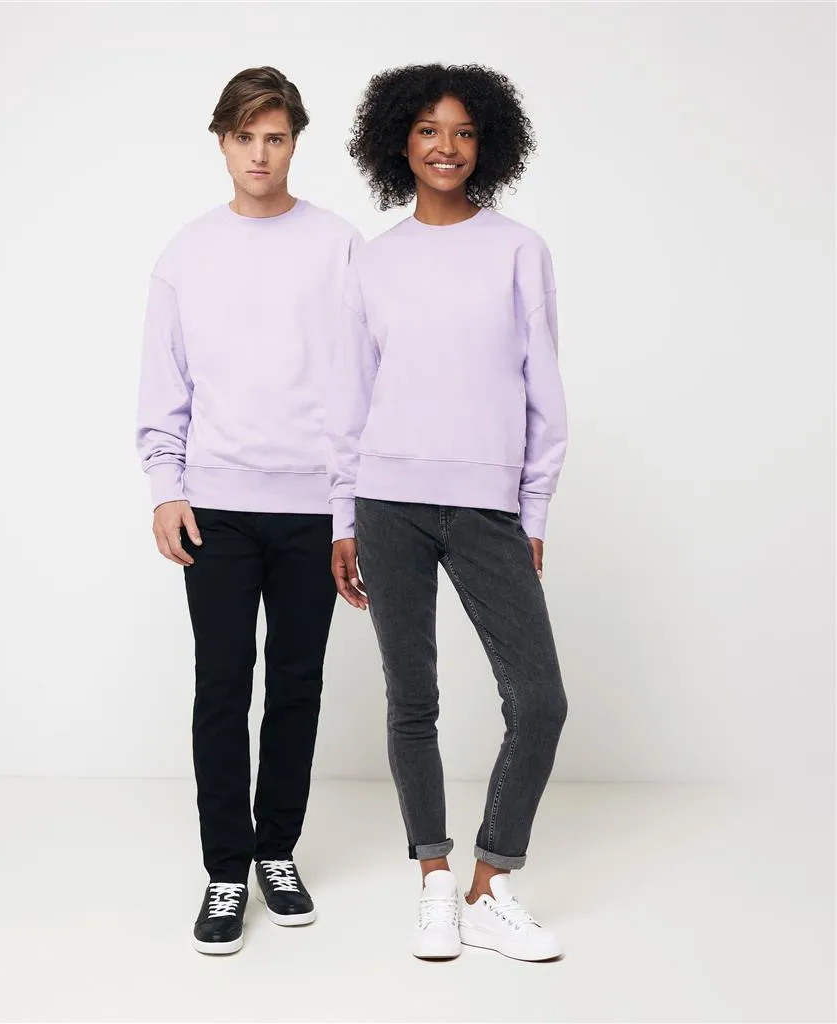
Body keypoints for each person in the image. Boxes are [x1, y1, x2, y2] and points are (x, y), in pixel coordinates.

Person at [325, 63, 568, 962]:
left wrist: (530, 509)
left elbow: (545, 392)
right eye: (428, 129)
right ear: (398, 141)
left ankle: (489, 884)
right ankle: (433, 880)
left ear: (486, 144)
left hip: (485, 504)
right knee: (411, 699)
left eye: (463, 131)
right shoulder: (372, 260)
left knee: (538, 701)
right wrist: (341, 518)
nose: (446, 146)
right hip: (387, 502)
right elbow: (348, 399)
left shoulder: (518, 250)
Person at [137, 66, 359, 955]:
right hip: (217, 510)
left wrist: (349, 511)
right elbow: (165, 383)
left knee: (297, 687)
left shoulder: (339, 246)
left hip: (312, 510)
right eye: (244, 137)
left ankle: (277, 852)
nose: (259, 154)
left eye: (275, 137)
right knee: (222, 688)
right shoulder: (186, 253)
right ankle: (226, 868)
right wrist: (166, 487)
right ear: (222, 142)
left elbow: (362, 385)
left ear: (295, 142)